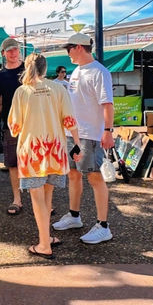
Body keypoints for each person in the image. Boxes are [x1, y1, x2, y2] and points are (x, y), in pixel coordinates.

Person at [8, 53, 81, 256]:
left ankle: (44, 244)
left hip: (32, 151)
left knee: (36, 197)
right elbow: (69, 120)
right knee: (48, 196)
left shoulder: (22, 92)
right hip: (55, 150)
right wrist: (77, 144)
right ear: (45, 67)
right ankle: (46, 237)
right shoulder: (58, 88)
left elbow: (14, 126)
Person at [52, 32, 115, 244]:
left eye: (68, 48)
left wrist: (108, 131)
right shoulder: (77, 71)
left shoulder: (99, 72)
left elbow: (107, 104)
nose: (67, 53)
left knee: (94, 176)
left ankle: (103, 226)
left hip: (90, 135)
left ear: (79, 47)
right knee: (73, 174)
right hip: (74, 134)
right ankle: (74, 215)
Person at [0, 37, 25, 214]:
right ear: (3, 53)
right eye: (9, 50)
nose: (13, 53)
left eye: (15, 49)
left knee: (36, 161)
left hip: (33, 123)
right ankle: (17, 199)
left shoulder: (29, 70)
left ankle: (43, 199)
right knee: (13, 163)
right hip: (11, 124)